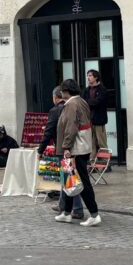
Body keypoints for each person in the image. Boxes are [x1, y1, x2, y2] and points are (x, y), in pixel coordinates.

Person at [54, 78, 101, 227]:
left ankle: (94, 214)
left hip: (76, 149)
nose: (61, 93)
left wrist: (66, 147)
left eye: (62, 90)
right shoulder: (82, 102)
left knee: (81, 181)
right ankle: (67, 213)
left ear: (66, 91)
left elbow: (71, 127)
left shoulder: (71, 105)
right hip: (83, 146)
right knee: (70, 179)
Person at [39, 87, 84, 219]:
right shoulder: (74, 106)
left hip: (63, 148)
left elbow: (49, 131)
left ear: (55, 97)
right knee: (67, 177)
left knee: (69, 178)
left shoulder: (57, 110)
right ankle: (63, 204)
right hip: (74, 147)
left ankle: (77, 208)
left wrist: (41, 149)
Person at [83, 70, 109, 159]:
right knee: (91, 143)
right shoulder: (87, 90)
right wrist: (89, 102)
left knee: (102, 143)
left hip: (99, 120)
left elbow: (97, 102)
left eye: (90, 75)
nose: (88, 78)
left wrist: (88, 102)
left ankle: (105, 163)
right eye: (87, 76)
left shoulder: (102, 89)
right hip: (89, 121)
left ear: (96, 77)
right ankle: (92, 163)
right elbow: (83, 102)